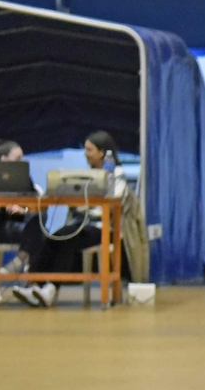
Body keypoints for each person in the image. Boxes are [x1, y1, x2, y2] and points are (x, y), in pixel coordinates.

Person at [10, 132, 127, 309]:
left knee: (66, 236)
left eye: (89, 150)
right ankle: (34, 284)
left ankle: (50, 288)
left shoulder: (116, 174)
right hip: (83, 224)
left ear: (102, 153)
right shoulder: (90, 175)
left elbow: (112, 203)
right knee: (53, 236)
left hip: (103, 227)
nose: (85, 154)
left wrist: (87, 205)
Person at [0, 140, 32, 248]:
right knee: (34, 234)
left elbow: (35, 206)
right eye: (18, 158)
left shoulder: (26, 179)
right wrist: (3, 205)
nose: (21, 162)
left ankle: (17, 262)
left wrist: (23, 211)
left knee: (40, 231)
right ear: (3, 159)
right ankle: (18, 263)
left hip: (23, 224)